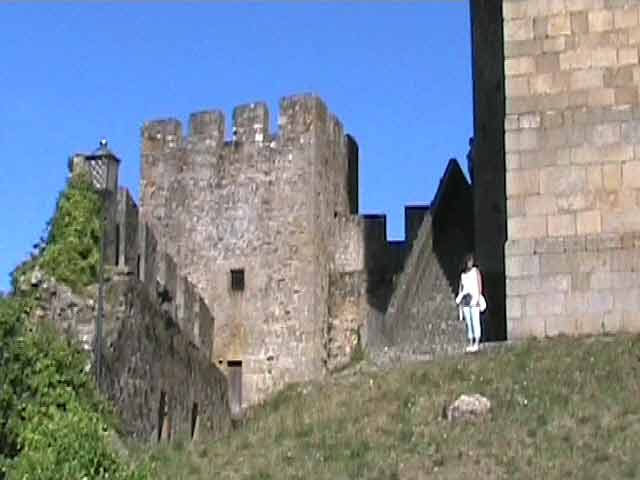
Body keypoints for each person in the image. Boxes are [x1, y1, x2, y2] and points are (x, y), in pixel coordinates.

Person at [456, 253, 483, 353]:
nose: (470, 263)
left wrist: (479, 297)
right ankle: (470, 341)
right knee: (469, 322)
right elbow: (461, 288)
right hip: (465, 300)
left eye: (471, 261)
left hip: (474, 299)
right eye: (468, 261)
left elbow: (479, 285)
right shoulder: (463, 275)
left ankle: (477, 341)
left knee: (475, 320)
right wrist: (460, 303)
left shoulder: (475, 271)